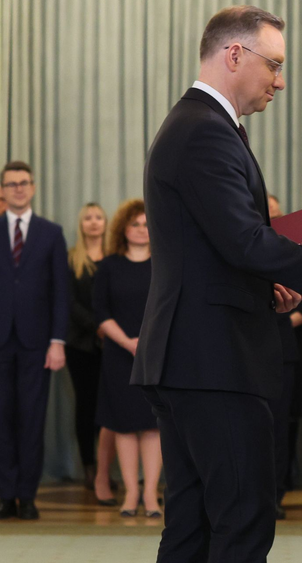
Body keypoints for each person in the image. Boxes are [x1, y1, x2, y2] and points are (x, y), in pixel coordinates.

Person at [133, 5, 302, 562]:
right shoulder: (202, 132)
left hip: (194, 358)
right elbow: (243, 241)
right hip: (214, 363)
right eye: (274, 65)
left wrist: (271, 289)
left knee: (192, 529)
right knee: (241, 525)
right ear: (234, 54)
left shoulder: (200, 126)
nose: (280, 81)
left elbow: (214, 250)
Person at [0, 160, 69, 521]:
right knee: (1, 420)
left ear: (33, 187)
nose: (18, 189)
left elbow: (61, 292)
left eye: (24, 182)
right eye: (11, 184)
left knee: (30, 420)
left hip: (37, 343)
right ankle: (3, 494)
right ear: (2, 190)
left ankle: (27, 496)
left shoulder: (50, 233)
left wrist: (57, 341)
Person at [93, 199, 161, 517]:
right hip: (119, 355)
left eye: (147, 224)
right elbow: (101, 314)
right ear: (123, 228)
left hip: (157, 354)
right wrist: (128, 343)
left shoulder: (165, 264)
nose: (141, 230)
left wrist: (146, 343)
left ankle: (150, 494)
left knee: (152, 426)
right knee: (123, 426)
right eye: (135, 224)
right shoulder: (108, 266)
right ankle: (131, 493)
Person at [266, 194, 302, 519]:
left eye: (275, 213)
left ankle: (275, 497)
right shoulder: (239, 244)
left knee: (279, 430)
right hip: (243, 350)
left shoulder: (295, 253)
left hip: (282, 351)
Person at [65, 203, 118, 504]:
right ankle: (88, 467)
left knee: (107, 409)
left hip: (112, 344)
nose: (94, 222)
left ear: (106, 223)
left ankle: (105, 470)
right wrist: (97, 325)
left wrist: (108, 329)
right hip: (80, 344)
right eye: (88, 217)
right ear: (81, 224)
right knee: (85, 407)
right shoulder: (71, 258)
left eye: (99, 217)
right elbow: (68, 302)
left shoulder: (115, 258)